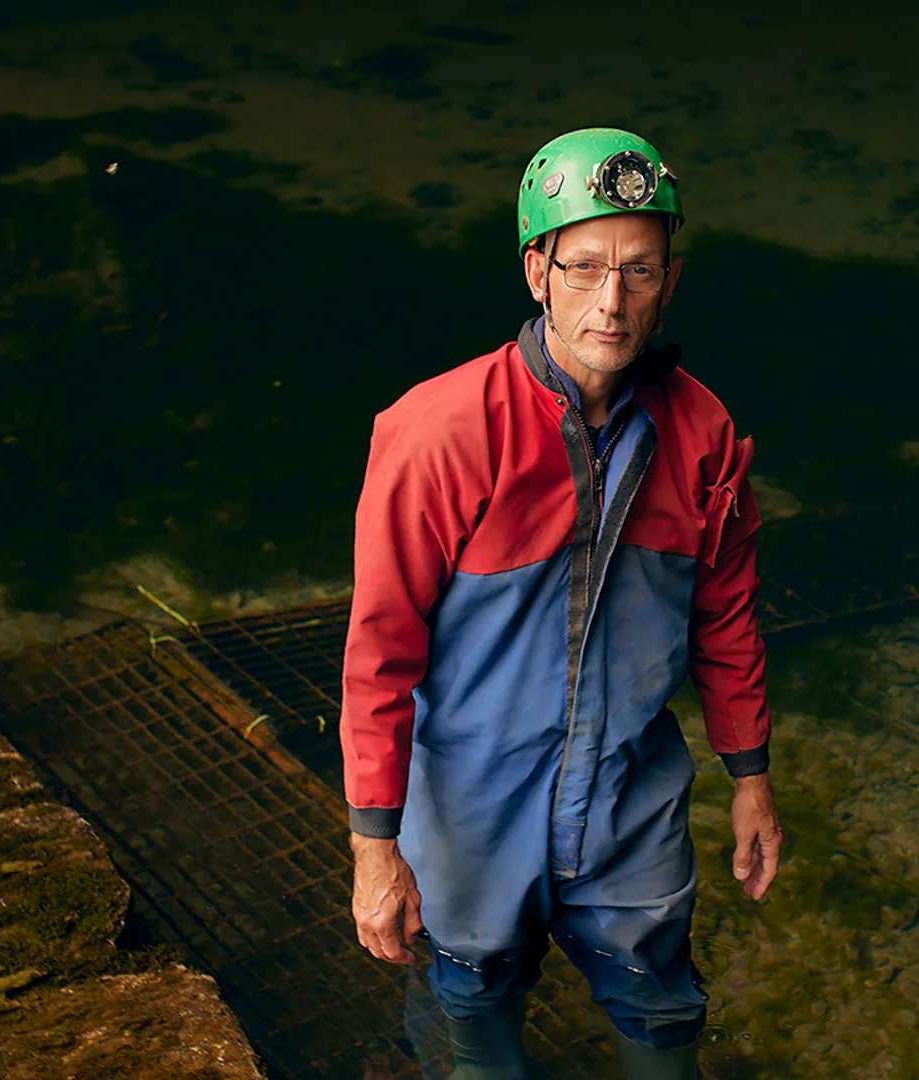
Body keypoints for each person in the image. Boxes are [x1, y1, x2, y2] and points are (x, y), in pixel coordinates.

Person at [340, 127, 782, 1080]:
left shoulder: (701, 433)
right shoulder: (442, 432)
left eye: (640, 271)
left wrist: (751, 777)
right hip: (468, 806)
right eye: (583, 268)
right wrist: (376, 846)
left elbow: (727, 619)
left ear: (671, 278)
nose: (611, 304)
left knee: (663, 1005)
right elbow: (380, 652)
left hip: (630, 797)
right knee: (475, 999)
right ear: (536, 270)